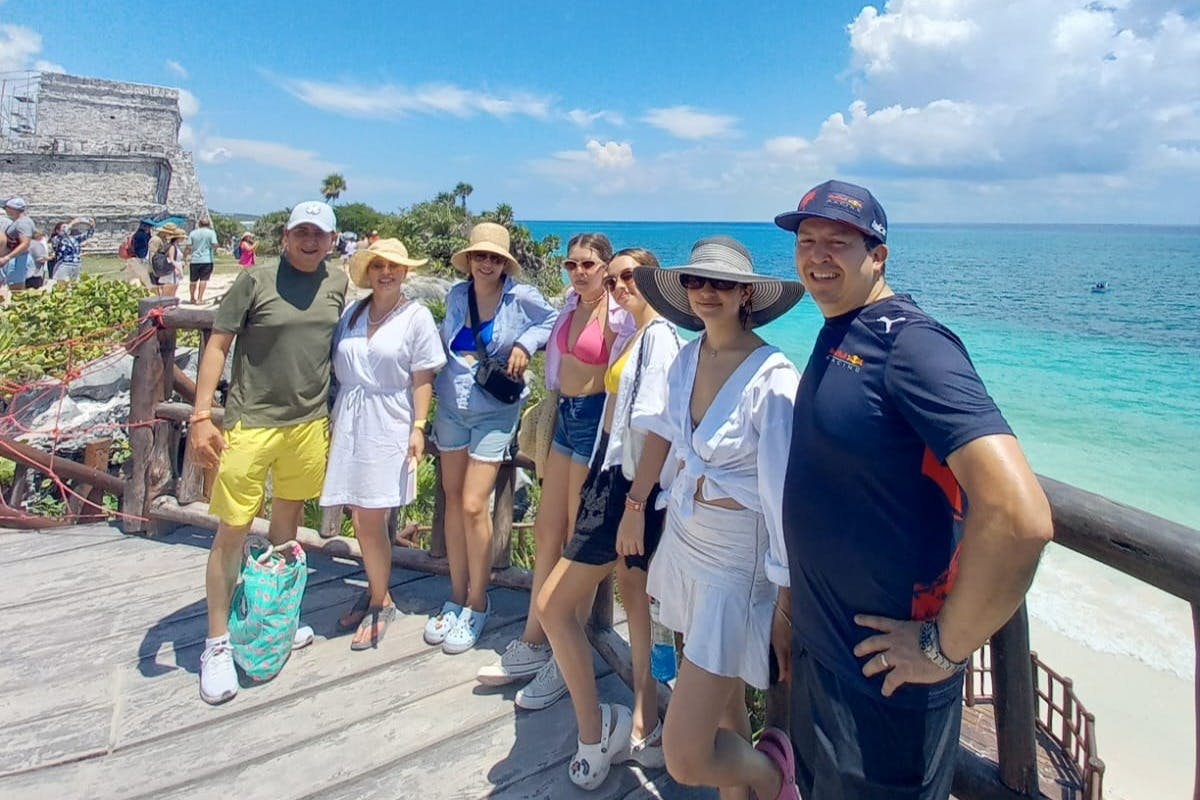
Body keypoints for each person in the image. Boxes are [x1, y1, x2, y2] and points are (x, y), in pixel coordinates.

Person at [773, 180, 1054, 799]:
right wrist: (792, 605)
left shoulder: (912, 344)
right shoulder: (841, 328)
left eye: (837, 243)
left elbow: (1019, 514)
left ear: (878, 255)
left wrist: (945, 647)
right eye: (807, 241)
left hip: (887, 689)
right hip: (828, 658)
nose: (817, 255)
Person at [615, 236, 803, 800]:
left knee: (685, 756)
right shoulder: (688, 356)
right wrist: (634, 507)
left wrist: (786, 607)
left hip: (734, 563)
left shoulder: (773, 377)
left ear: (747, 294)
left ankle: (774, 778)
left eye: (721, 283)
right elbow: (666, 437)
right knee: (725, 711)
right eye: (695, 281)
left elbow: (781, 500)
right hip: (685, 538)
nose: (705, 293)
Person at [188, 200, 348, 705]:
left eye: (318, 234)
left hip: (308, 424)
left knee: (285, 528)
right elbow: (217, 345)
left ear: (331, 240)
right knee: (232, 531)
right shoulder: (254, 281)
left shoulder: (338, 282)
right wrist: (199, 415)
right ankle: (215, 643)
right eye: (301, 232)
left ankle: (272, 620)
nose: (309, 241)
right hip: (251, 425)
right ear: (285, 235)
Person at [536, 248, 681, 789]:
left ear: (654, 280)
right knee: (636, 602)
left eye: (632, 277)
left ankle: (595, 732)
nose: (621, 285)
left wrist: (635, 507)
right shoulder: (641, 333)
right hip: (622, 482)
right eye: (616, 277)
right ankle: (646, 718)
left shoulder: (660, 338)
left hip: (628, 489)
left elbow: (659, 428)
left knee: (554, 605)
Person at [477, 233, 630, 712]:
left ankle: (567, 654)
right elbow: (543, 331)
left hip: (593, 423)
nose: (578, 272)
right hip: (563, 418)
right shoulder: (569, 302)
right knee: (547, 531)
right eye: (571, 264)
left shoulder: (619, 315)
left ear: (606, 267)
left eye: (588, 264)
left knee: (575, 544)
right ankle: (534, 636)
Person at [426, 222, 556, 655]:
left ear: (505, 264)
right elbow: (444, 347)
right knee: (450, 497)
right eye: (480, 256)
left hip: (494, 412)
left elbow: (553, 320)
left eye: (495, 257)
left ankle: (478, 601)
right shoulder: (456, 295)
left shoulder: (521, 297)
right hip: (450, 406)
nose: (487, 263)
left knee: (472, 503)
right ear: (470, 260)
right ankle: (457, 595)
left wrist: (524, 341)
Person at [320, 239, 446, 650]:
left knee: (369, 516)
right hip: (351, 418)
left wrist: (419, 426)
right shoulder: (354, 313)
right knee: (358, 510)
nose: (386, 273)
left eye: (394, 266)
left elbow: (423, 375)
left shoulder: (416, 316)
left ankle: (381, 600)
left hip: (389, 420)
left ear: (405, 272)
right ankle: (376, 589)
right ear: (369, 272)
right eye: (378, 266)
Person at [1, 196, 36, 296]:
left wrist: (7, 257)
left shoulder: (23, 222)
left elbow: (25, 244)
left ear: (12, 209)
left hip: (17, 260)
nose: (5, 210)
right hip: (15, 259)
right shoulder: (19, 222)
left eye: (6, 207)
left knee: (16, 292)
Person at [49, 217, 95, 283]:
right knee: (61, 285)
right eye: (64, 227)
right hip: (64, 264)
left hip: (76, 264)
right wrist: (72, 223)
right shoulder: (56, 239)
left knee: (74, 285)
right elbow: (63, 234)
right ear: (57, 231)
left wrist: (92, 226)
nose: (67, 228)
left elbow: (87, 235)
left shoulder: (74, 239)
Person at [187, 217, 219, 304]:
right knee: (203, 279)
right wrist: (214, 248)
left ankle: (192, 298)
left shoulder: (192, 233)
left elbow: (188, 246)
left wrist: (185, 257)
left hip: (194, 259)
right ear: (208, 225)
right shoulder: (211, 233)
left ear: (199, 224)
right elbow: (214, 244)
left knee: (193, 280)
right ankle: (199, 299)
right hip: (207, 259)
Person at [124, 221, 153, 287]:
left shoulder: (139, 234)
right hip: (141, 256)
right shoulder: (141, 235)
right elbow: (147, 242)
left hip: (141, 256)